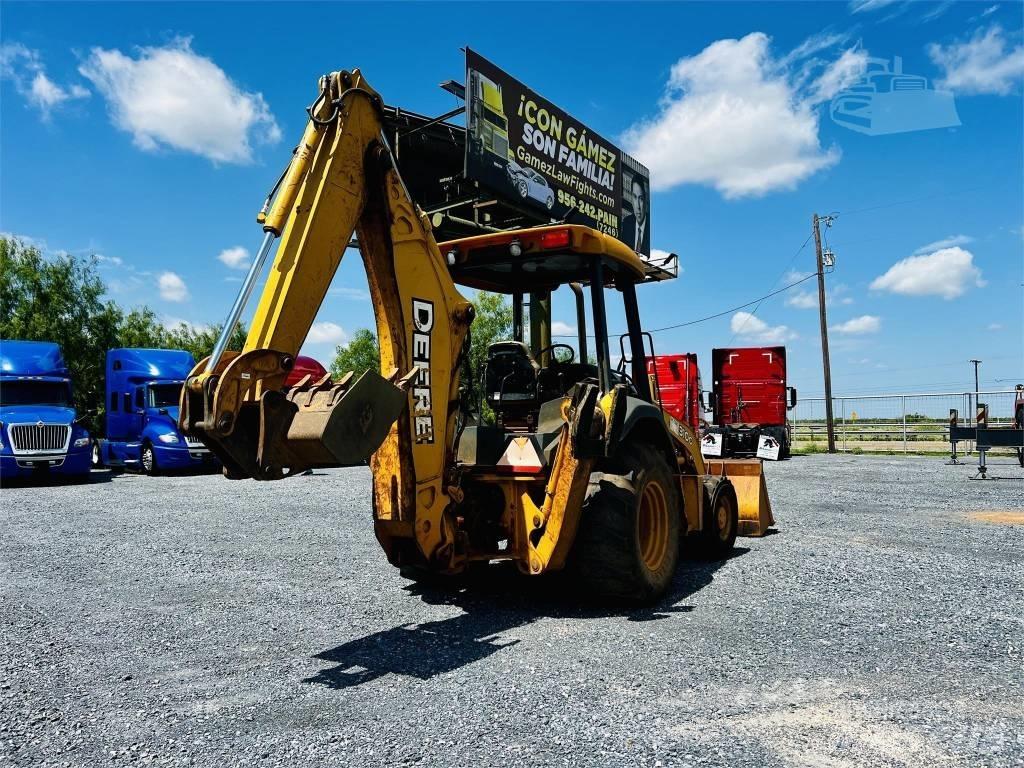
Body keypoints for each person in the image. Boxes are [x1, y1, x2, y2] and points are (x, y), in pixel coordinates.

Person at [620, 174, 649, 254]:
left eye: (641, 199)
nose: (638, 206)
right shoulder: (627, 223)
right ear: (631, 199)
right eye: (635, 197)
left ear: (645, 200)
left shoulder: (648, 225)